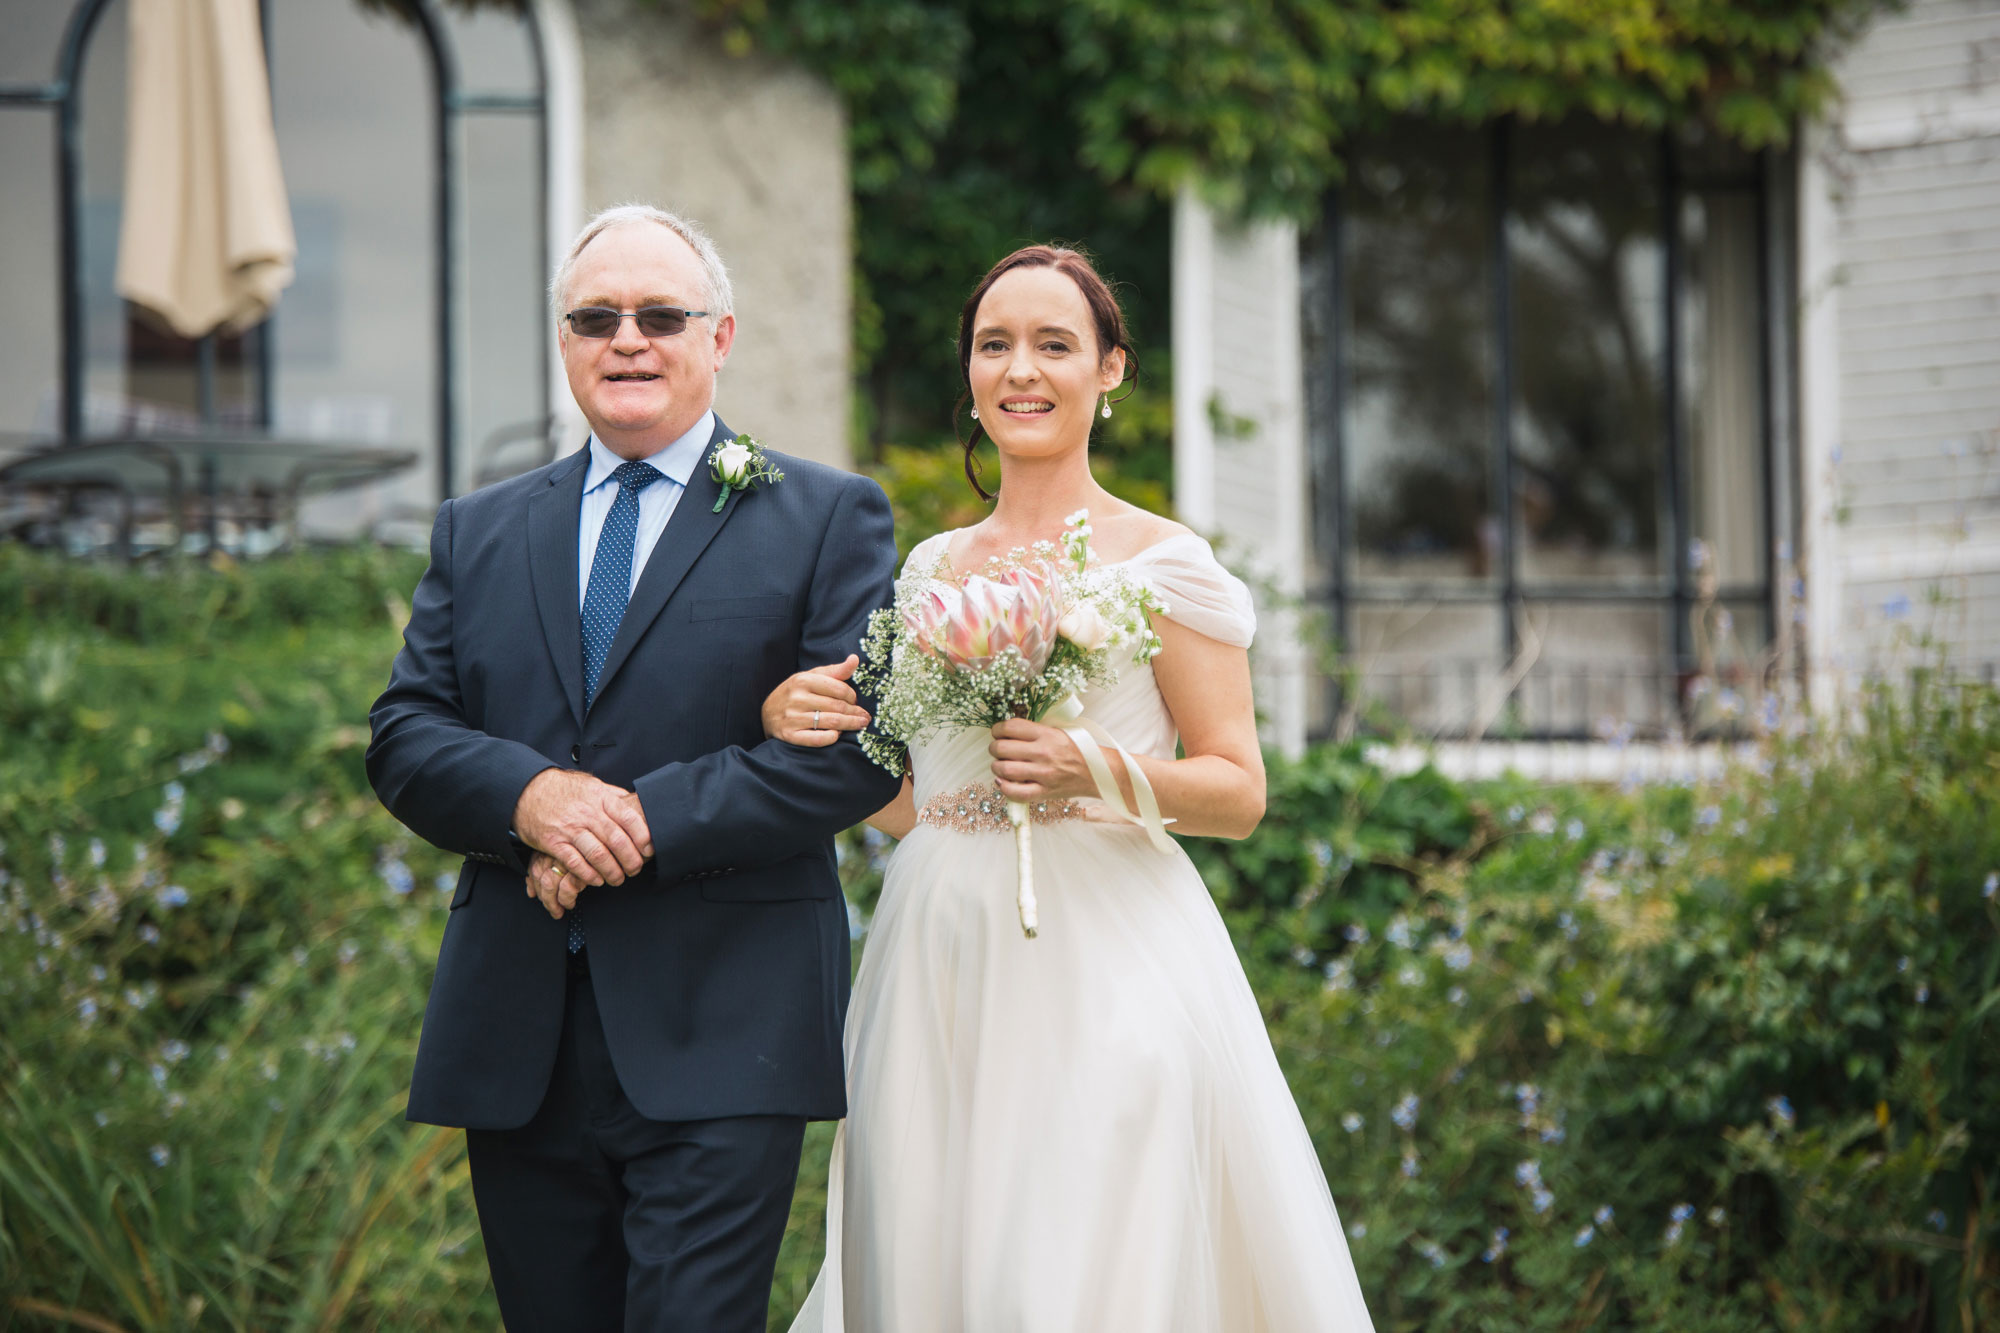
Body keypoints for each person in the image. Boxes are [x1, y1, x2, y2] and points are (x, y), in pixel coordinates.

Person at [746, 246, 1378, 1331]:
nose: (1019, 370)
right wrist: (799, 728)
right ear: (971, 379)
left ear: (1110, 370)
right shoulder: (929, 570)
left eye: (1053, 344)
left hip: (1107, 953)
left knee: (1080, 1261)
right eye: (994, 346)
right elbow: (910, 802)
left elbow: (1237, 787)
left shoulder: (1163, 562)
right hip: (936, 950)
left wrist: (1096, 769)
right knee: (933, 1251)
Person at [366, 203, 902, 1333]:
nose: (628, 339)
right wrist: (530, 801)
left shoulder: (820, 517)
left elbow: (858, 753)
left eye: (661, 314)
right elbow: (406, 733)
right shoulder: (479, 529)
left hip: (724, 1024)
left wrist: (626, 825)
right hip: (519, 1033)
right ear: (563, 342)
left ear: (721, 336)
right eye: (595, 317)